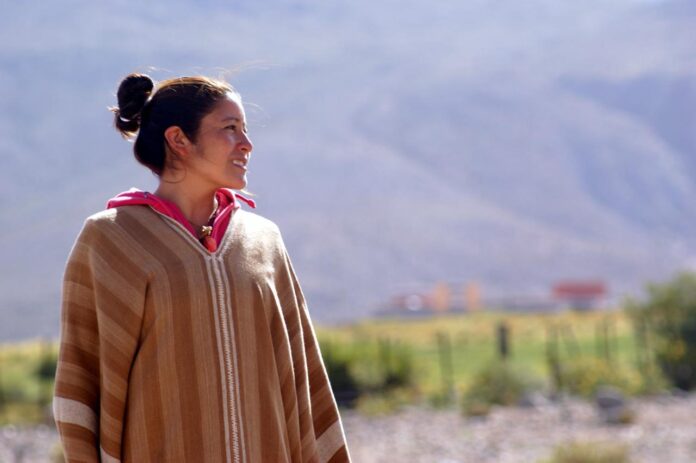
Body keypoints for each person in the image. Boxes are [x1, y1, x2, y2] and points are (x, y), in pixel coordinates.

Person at [52, 73, 351, 462]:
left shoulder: (264, 240)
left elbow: (303, 376)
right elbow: (81, 381)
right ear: (179, 139)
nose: (247, 144)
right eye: (230, 128)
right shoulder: (113, 239)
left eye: (245, 129)